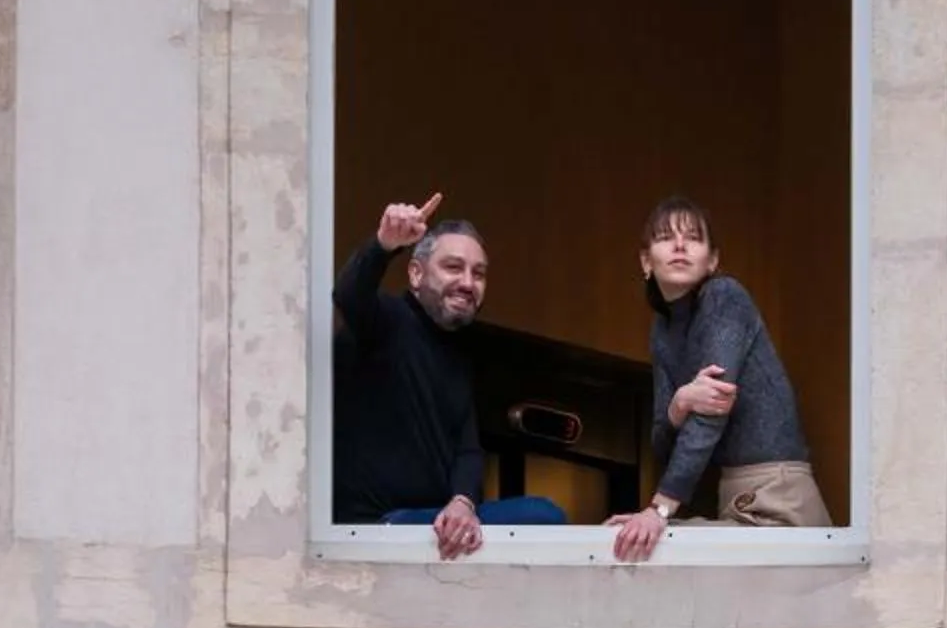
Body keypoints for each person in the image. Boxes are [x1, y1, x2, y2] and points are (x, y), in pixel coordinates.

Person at [330, 194, 564, 557]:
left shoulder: (459, 354)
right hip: (376, 529)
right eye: (454, 268)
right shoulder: (384, 321)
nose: (468, 283)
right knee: (542, 515)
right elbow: (348, 295)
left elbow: (467, 451)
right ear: (416, 274)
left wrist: (462, 503)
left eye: (479, 273)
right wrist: (384, 245)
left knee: (545, 516)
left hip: (435, 529)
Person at [610, 196, 832, 564]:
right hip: (736, 500)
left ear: (712, 260)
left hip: (779, 499)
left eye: (693, 238)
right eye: (666, 237)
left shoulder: (724, 298)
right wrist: (679, 403)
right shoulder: (662, 331)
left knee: (654, 551)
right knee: (637, 545)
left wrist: (659, 510)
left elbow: (713, 411)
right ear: (646, 261)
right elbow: (661, 442)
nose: (680, 245)